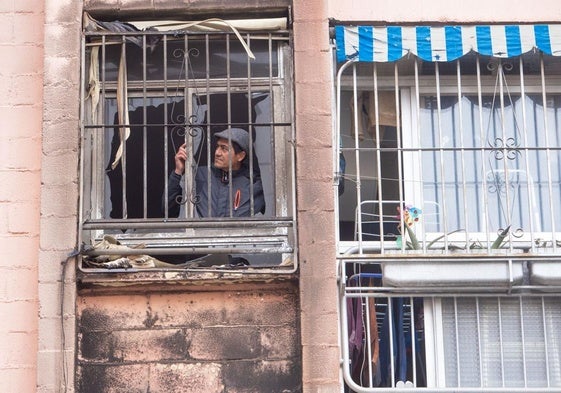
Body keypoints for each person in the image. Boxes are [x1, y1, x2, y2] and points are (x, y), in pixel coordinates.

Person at [165, 127, 266, 218]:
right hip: (202, 237)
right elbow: (168, 211)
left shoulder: (253, 184)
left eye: (224, 148)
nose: (217, 153)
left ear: (240, 156)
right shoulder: (200, 175)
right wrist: (178, 172)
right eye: (217, 147)